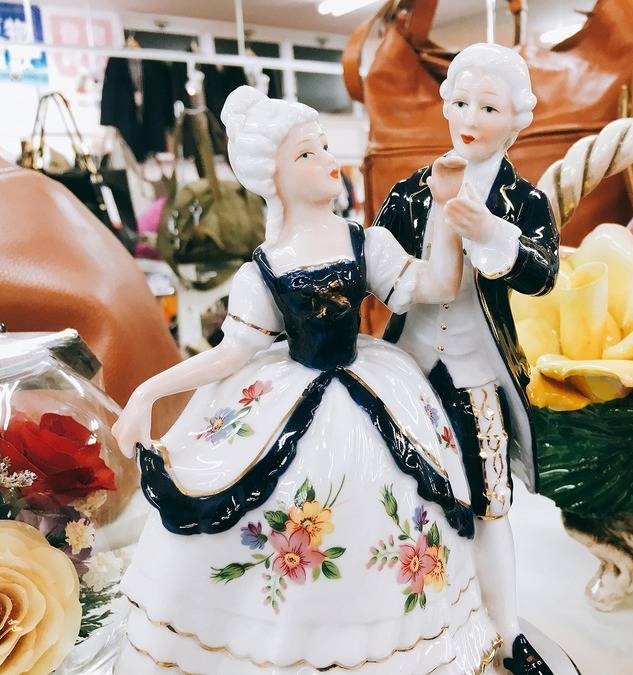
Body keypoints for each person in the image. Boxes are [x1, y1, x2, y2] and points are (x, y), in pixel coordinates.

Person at [111, 86, 504, 674]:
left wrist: (448, 214)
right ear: (272, 177)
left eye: (323, 147)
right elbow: (231, 353)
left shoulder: (364, 242)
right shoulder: (263, 270)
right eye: (305, 153)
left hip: (375, 386)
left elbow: (436, 284)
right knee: (256, 495)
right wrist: (149, 390)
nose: (326, 160)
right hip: (291, 393)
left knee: (396, 500)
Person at [372, 43, 559, 672]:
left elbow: (542, 275)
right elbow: (375, 267)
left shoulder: (523, 203)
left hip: (477, 373)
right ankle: (413, 628)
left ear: (517, 119)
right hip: (408, 369)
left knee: (489, 505)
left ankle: (506, 634)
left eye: (488, 107)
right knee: (403, 496)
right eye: (460, 102)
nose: (469, 117)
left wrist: (492, 234)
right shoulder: (409, 194)